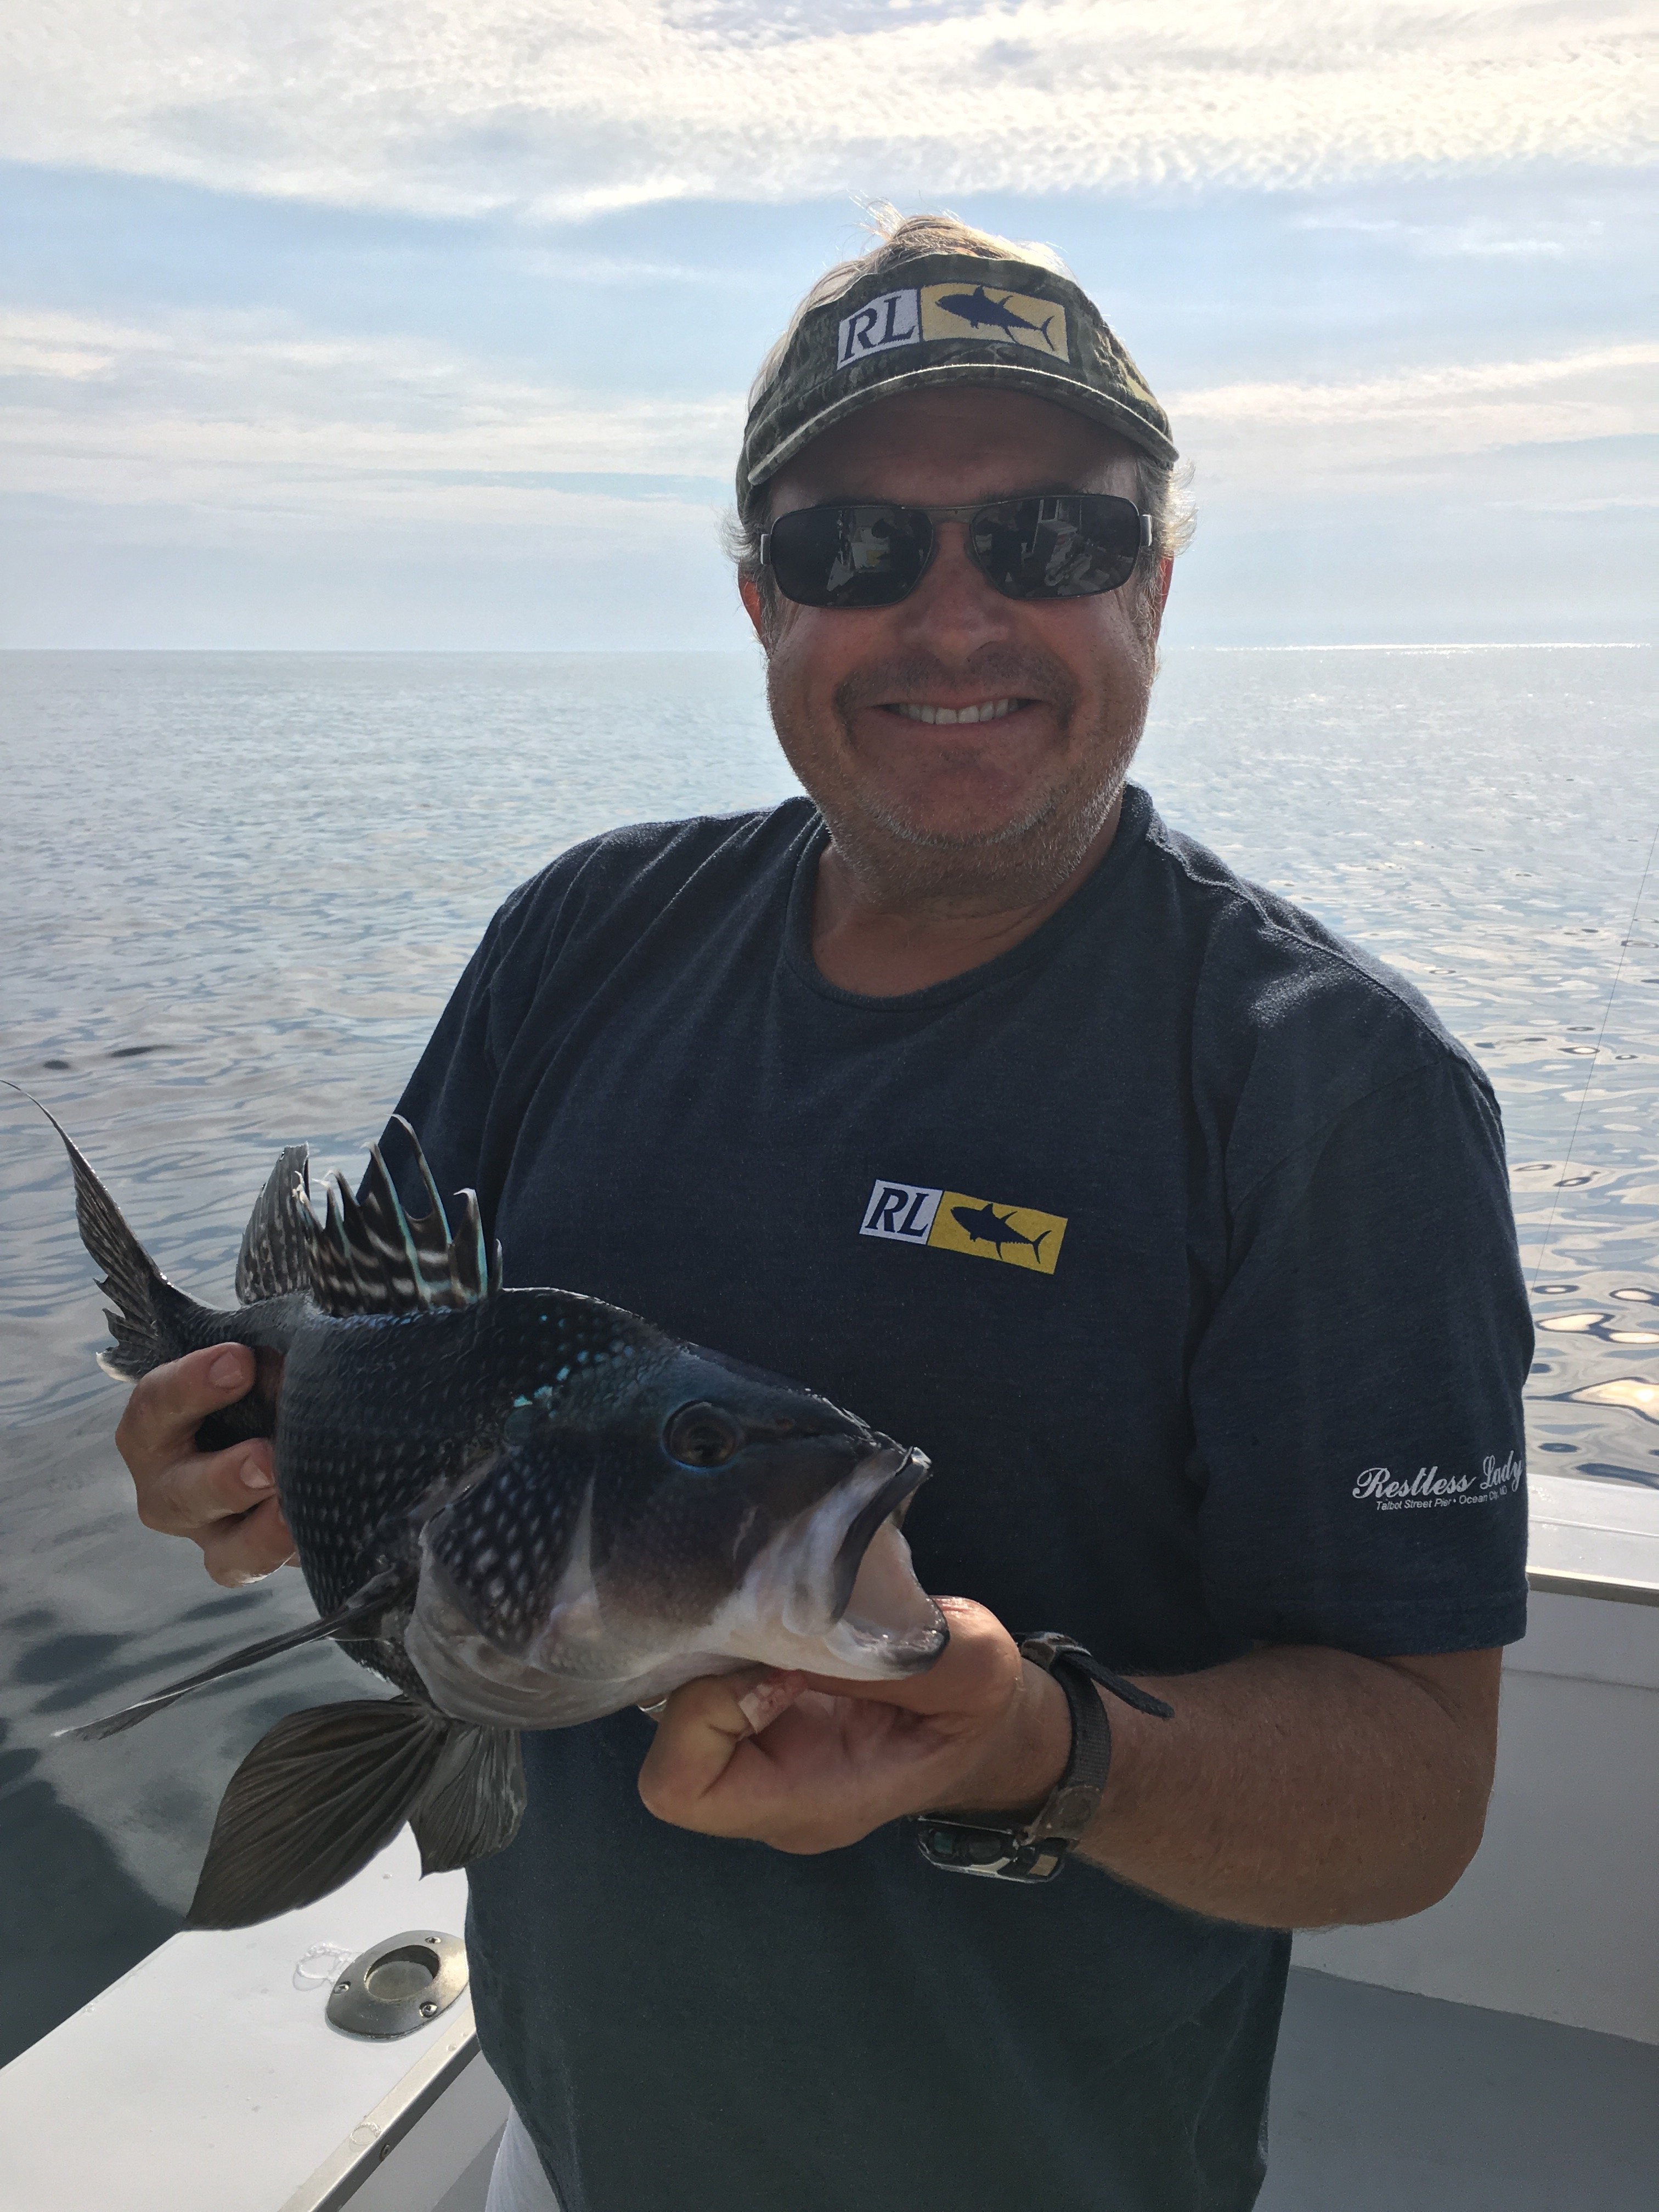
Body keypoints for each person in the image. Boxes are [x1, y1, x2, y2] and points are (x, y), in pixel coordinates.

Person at [113, 212, 1532, 2212]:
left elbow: (1408, 1800)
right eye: (858, 549)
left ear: (1159, 574)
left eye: (1052, 535)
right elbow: (369, 1370)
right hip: (564, 2133)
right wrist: (232, 1454)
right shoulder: (580, 937)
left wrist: (1026, 1743)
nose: (955, 620)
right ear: (762, 594)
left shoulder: (1328, 1088)